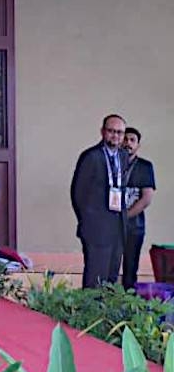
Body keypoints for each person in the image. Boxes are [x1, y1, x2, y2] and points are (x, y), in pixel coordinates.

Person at [70, 114, 128, 289]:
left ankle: (107, 314)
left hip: (117, 225)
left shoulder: (123, 156)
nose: (115, 136)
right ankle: (90, 315)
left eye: (119, 132)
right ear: (103, 132)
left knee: (111, 277)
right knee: (95, 277)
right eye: (111, 131)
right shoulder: (91, 156)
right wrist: (87, 219)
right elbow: (78, 193)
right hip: (96, 227)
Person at [122, 127, 156, 289]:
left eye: (132, 140)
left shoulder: (145, 166)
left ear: (138, 145)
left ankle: (128, 306)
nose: (128, 143)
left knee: (130, 268)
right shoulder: (109, 165)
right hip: (110, 226)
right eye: (125, 139)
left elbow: (146, 198)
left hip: (134, 227)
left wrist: (125, 216)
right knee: (108, 267)